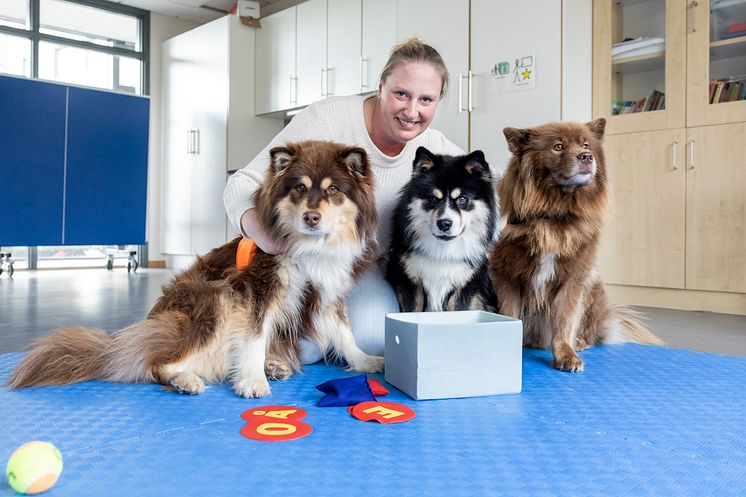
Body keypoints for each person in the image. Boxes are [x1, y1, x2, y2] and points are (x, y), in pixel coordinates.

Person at [223, 38, 464, 363]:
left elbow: (490, 193)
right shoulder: (328, 119)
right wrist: (263, 235)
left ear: (437, 102)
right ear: (380, 87)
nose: (411, 111)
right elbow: (241, 183)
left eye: (426, 99)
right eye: (401, 94)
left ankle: (319, 331)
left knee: (372, 337)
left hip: (362, 267)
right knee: (304, 349)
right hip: (301, 260)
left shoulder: (436, 148)